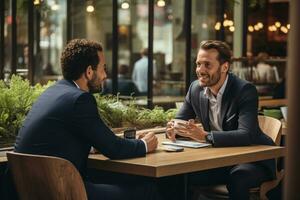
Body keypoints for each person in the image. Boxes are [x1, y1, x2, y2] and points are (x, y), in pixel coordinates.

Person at [12, 39, 160, 200]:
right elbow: (113, 148)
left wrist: (91, 146)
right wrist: (145, 145)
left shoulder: (52, 92)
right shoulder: (80, 99)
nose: (105, 75)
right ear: (89, 71)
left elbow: (57, 140)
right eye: (103, 68)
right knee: (147, 191)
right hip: (65, 191)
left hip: (32, 190)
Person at [166, 40, 275, 200]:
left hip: (253, 160)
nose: (200, 70)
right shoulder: (195, 88)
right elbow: (180, 121)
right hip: (219, 160)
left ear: (225, 67)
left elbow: (246, 135)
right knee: (178, 175)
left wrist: (205, 136)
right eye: (198, 64)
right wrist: (174, 128)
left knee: (238, 177)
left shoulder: (244, 90)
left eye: (207, 65)